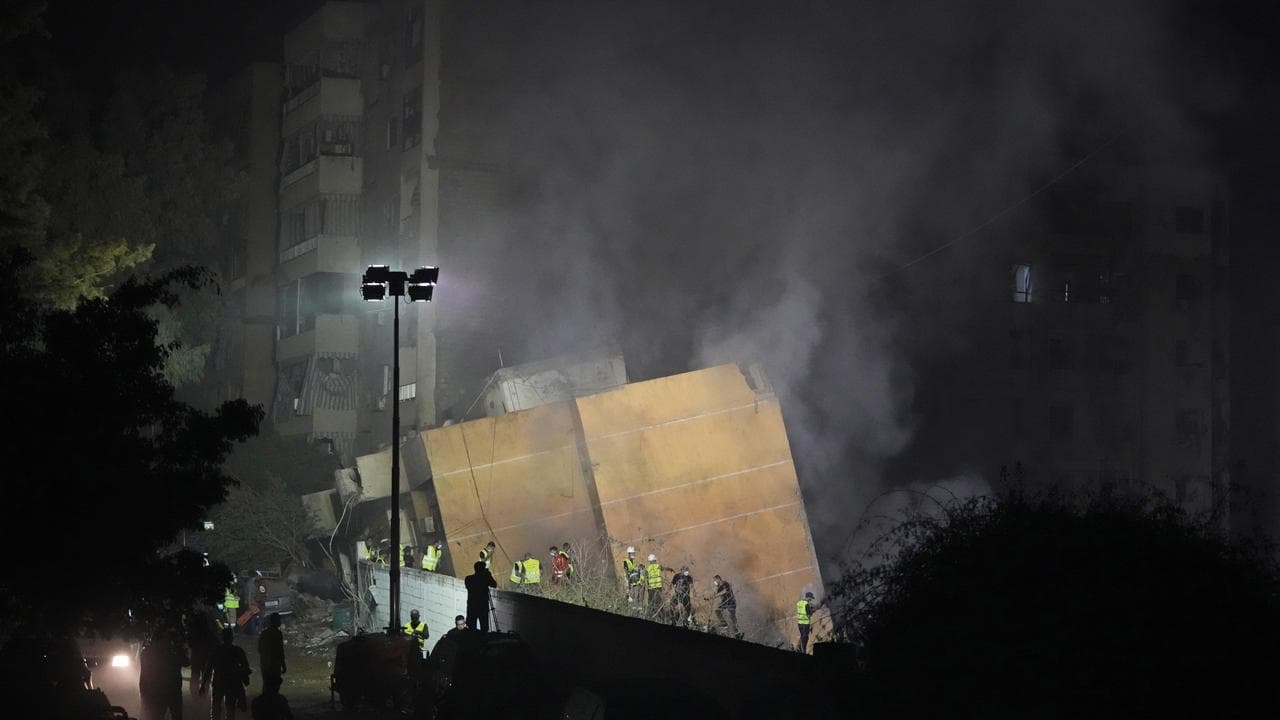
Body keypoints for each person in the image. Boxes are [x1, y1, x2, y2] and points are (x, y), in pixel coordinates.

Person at [139, 623, 188, 720]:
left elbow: (144, 672)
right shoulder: (171, 651)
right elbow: (186, 662)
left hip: (161, 689)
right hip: (166, 689)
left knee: (159, 715)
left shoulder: (148, 652)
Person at [201, 627, 251, 720]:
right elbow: (245, 667)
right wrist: (245, 679)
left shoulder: (216, 651)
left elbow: (208, 668)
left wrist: (203, 684)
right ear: (232, 637)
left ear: (222, 637)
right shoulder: (237, 650)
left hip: (218, 682)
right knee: (230, 708)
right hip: (232, 683)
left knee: (216, 709)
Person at [186, 606, 221, 698]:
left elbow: (190, 641)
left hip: (197, 654)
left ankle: (194, 694)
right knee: (206, 674)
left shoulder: (195, 628)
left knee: (195, 674)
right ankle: (203, 694)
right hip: (207, 655)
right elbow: (216, 640)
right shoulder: (211, 627)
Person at [465, 560, 497, 632]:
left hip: (472, 606)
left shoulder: (468, 579)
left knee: (471, 627)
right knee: (484, 628)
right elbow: (494, 584)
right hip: (482, 606)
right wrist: (489, 575)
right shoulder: (485, 579)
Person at [257, 613, 286, 690]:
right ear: (276, 621)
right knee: (275, 685)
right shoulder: (277, 633)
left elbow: (259, 649)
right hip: (274, 664)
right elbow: (280, 651)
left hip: (264, 663)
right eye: (279, 620)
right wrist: (283, 665)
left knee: (266, 684)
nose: (280, 622)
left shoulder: (264, 633)